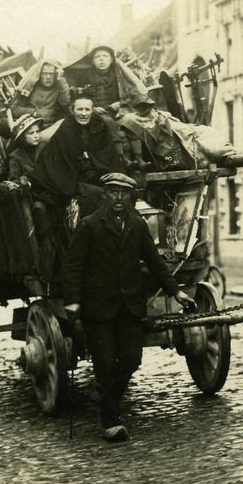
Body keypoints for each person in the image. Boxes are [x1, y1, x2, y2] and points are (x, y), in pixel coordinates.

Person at [62, 172, 195, 442]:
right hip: (98, 308)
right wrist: (73, 300)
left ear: (131, 197)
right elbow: (73, 266)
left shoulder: (137, 225)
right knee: (105, 362)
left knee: (132, 359)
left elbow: (155, 263)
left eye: (125, 194)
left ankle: (107, 396)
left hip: (129, 308)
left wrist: (176, 291)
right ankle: (110, 420)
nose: (119, 198)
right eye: (114, 192)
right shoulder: (89, 226)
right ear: (105, 194)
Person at [29, 98, 127, 216]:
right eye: (80, 109)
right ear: (73, 111)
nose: (84, 114)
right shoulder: (67, 127)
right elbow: (65, 157)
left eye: (87, 110)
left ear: (92, 111)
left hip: (98, 172)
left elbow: (106, 152)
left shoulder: (99, 124)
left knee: (119, 192)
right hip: (73, 176)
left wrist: (92, 160)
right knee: (95, 194)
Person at [63, 46, 150, 108]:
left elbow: (133, 94)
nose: (101, 59)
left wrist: (121, 103)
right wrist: (92, 108)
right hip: (92, 113)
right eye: (97, 57)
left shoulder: (119, 75)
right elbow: (78, 98)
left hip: (120, 111)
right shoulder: (85, 77)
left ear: (112, 60)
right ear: (92, 62)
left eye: (105, 56)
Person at [3, 114, 44, 182]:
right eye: (31, 133)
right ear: (22, 137)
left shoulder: (44, 147)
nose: (36, 136)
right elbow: (14, 181)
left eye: (37, 131)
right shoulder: (15, 157)